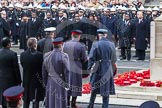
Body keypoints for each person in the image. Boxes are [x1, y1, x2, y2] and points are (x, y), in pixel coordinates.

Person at [87, 29, 117, 108]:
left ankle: (91, 104)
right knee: (106, 88)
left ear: (99, 35)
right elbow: (114, 59)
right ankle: (105, 106)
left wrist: (89, 67)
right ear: (106, 35)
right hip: (108, 67)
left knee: (94, 86)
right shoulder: (111, 44)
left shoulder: (95, 44)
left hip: (98, 67)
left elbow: (91, 57)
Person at [42, 37, 70, 108]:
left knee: (51, 101)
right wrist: (67, 84)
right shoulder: (64, 56)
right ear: (61, 45)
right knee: (60, 102)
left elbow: (44, 72)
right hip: (60, 81)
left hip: (50, 80)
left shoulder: (46, 55)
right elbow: (67, 71)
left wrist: (45, 83)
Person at [63, 30, 87, 108]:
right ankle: (73, 103)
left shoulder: (65, 44)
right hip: (76, 66)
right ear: (79, 36)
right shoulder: (81, 46)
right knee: (75, 84)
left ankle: (66, 103)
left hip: (66, 64)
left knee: (67, 83)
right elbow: (84, 59)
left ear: (72, 36)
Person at [20, 38, 45, 108]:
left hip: (27, 78)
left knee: (26, 99)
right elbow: (42, 67)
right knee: (36, 99)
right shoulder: (40, 55)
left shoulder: (22, 54)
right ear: (35, 44)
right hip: (37, 79)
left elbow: (22, 65)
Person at [0, 37, 21, 108]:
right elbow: (16, 69)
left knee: (2, 95)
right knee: (11, 96)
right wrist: (19, 81)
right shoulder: (12, 54)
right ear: (8, 44)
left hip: (1, 77)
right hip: (11, 79)